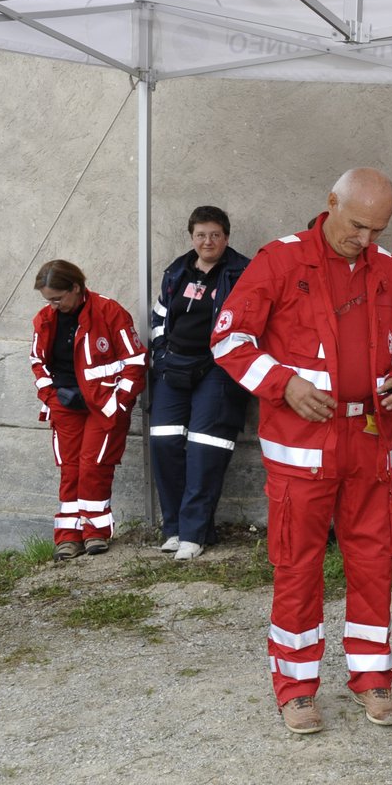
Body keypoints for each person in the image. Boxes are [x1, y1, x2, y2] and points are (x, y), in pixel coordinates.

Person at [211, 168, 392, 736]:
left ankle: (372, 677)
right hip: (300, 450)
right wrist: (283, 383)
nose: (365, 240)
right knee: (298, 568)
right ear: (331, 203)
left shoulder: (387, 268)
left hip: (367, 444)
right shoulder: (281, 261)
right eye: (357, 225)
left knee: (372, 564)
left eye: (378, 230)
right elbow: (229, 339)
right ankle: (295, 688)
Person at [149, 205, 252, 560]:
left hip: (217, 371)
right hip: (172, 369)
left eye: (215, 235)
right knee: (164, 443)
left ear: (226, 237)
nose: (208, 242)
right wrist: (161, 355)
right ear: (191, 237)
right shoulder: (177, 271)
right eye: (200, 235)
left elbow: (248, 323)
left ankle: (195, 534)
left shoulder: (243, 272)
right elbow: (160, 316)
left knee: (204, 450)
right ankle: (175, 528)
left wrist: (225, 361)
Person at [29, 260, 146, 559]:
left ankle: (94, 532)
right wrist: (52, 398)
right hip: (65, 405)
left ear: (76, 288)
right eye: (48, 300)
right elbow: (38, 363)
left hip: (102, 406)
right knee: (70, 469)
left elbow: (135, 362)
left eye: (58, 298)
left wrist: (118, 403)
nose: (53, 306)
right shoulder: (45, 319)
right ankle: (68, 537)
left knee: (93, 466)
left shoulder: (110, 312)